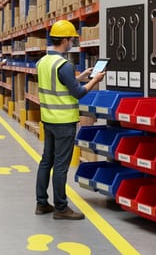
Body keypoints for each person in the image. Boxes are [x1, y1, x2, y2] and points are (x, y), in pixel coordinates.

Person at [35, 19, 104, 220]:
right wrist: (94, 80)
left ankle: (41, 203)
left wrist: (81, 76)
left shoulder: (43, 62)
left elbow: (59, 84)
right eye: (71, 39)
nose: (72, 43)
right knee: (61, 165)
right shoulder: (64, 65)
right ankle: (61, 207)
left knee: (46, 161)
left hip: (48, 119)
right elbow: (78, 93)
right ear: (64, 40)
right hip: (63, 122)